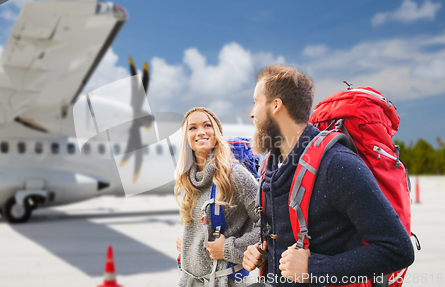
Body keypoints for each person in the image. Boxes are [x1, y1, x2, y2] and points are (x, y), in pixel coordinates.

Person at [242, 65, 414, 286]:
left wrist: (313, 268)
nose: (251, 112)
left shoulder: (336, 164)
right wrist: (262, 252)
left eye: (256, 102)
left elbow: (398, 250)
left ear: (276, 105)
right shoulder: (270, 166)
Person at [175, 107, 260, 287]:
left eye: (207, 125)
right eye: (192, 128)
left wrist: (229, 248)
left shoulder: (235, 176)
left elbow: (270, 226)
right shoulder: (189, 180)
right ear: (185, 137)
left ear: (217, 133)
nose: (201, 132)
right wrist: (190, 243)